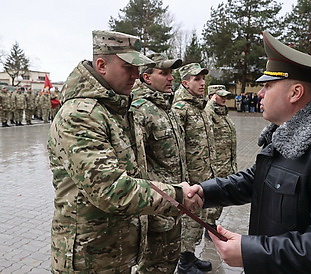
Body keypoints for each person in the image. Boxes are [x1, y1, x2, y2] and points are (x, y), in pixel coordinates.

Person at [189, 30, 311, 273]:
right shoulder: (289, 133)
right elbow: (258, 179)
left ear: (295, 93)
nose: (259, 93)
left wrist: (251, 251)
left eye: (268, 86)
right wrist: (205, 192)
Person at [47, 30, 202, 273]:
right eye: (128, 68)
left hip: (116, 250)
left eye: (137, 69)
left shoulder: (117, 109)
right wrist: (177, 196)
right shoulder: (81, 115)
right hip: (88, 258)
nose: (135, 76)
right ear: (101, 65)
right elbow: (110, 189)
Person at [130, 52, 187, 273]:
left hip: (175, 203)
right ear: (146, 78)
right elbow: (135, 165)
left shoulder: (167, 108)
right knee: (152, 266)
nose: (171, 78)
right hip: (156, 206)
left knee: (169, 262)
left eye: (171, 73)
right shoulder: (140, 110)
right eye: (164, 73)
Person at [172, 63, 214, 273]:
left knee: (199, 220)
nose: (202, 83)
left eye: (203, 79)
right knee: (190, 221)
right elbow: (177, 146)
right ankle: (184, 263)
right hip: (191, 178)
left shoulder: (199, 107)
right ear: (185, 82)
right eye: (197, 79)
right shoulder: (180, 109)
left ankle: (190, 256)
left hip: (203, 175)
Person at [204, 85, 237, 238]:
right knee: (214, 196)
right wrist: (210, 102)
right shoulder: (209, 112)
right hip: (216, 164)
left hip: (227, 164)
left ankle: (212, 222)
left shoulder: (224, 114)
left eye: (225, 96)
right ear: (212, 96)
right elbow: (205, 113)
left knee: (222, 197)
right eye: (220, 96)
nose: (224, 98)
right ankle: (208, 226)